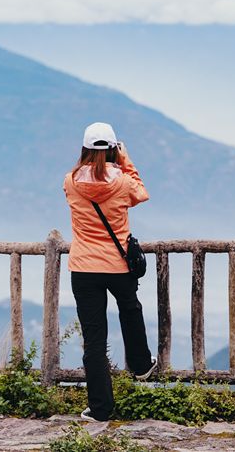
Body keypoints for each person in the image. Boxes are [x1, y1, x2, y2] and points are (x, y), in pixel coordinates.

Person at [63, 121, 157, 422]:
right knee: (130, 309)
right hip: (117, 264)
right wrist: (126, 161)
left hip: (84, 267)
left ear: (84, 149)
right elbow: (141, 194)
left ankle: (100, 408)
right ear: (115, 149)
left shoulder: (70, 182)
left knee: (94, 339)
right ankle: (141, 365)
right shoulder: (124, 182)